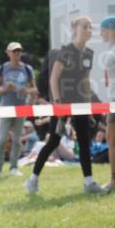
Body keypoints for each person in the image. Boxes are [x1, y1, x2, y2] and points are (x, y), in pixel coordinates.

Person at [25, 16, 103, 194]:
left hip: (80, 104)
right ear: (75, 29)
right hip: (62, 104)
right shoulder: (65, 52)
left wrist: (88, 106)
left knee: (84, 142)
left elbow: (85, 81)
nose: (89, 30)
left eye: (90, 27)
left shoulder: (89, 53)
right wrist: (59, 105)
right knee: (54, 141)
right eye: (85, 26)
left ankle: (89, 183)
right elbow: (53, 79)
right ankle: (32, 180)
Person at [0, 42, 37, 179]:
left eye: (19, 51)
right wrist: (5, 89)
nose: (17, 54)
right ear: (8, 53)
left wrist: (26, 90)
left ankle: (14, 167)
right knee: (2, 139)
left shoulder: (27, 69)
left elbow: (35, 89)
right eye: (14, 51)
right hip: (6, 107)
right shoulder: (2, 68)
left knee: (17, 140)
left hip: (21, 108)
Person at [99, 15, 115, 193]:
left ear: (112, 30)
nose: (100, 33)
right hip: (114, 101)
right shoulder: (112, 48)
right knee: (112, 140)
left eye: (103, 30)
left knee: (112, 140)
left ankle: (114, 181)